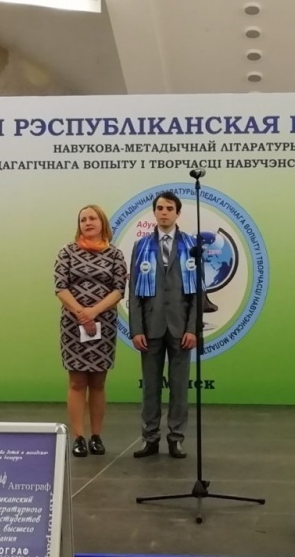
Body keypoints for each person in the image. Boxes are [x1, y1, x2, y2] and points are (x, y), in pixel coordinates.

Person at [129, 191, 198, 459]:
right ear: (154, 212)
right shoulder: (141, 246)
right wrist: (137, 329)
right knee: (150, 386)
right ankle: (150, 437)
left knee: (179, 387)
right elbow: (134, 290)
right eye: (160, 208)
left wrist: (192, 328)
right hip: (151, 326)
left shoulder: (191, 245)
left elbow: (198, 292)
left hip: (181, 327)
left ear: (177, 213)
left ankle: (176, 438)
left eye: (169, 208)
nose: (164, 212)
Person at [55, 205, 127, 457]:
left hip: (103, 324)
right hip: (73, 325)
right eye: (83, 219)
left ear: (102, 222)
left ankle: (96, 436)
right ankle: (78, 437)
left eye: (92, 218)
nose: (88, 222)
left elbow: (119, 289)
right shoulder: (67, 252)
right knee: (77, 381)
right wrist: (81, 313)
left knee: (98, 381)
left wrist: (94, 312)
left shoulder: (115, 255)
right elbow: (60, 287)